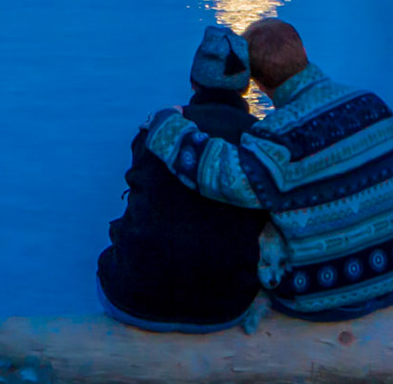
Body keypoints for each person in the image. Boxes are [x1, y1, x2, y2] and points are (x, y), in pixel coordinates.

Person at [143, 18, 393, 322]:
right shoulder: (372, 103)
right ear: (303, 50)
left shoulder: (277, 136)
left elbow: (226, 176)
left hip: (332, 296)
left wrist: (167, 125)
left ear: (257, 82)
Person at [96, 26, 269, 332]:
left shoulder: (157, 131)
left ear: (194, 82)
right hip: (223, 308)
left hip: (134, 300)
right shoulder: (264, 143)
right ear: (245, 88)